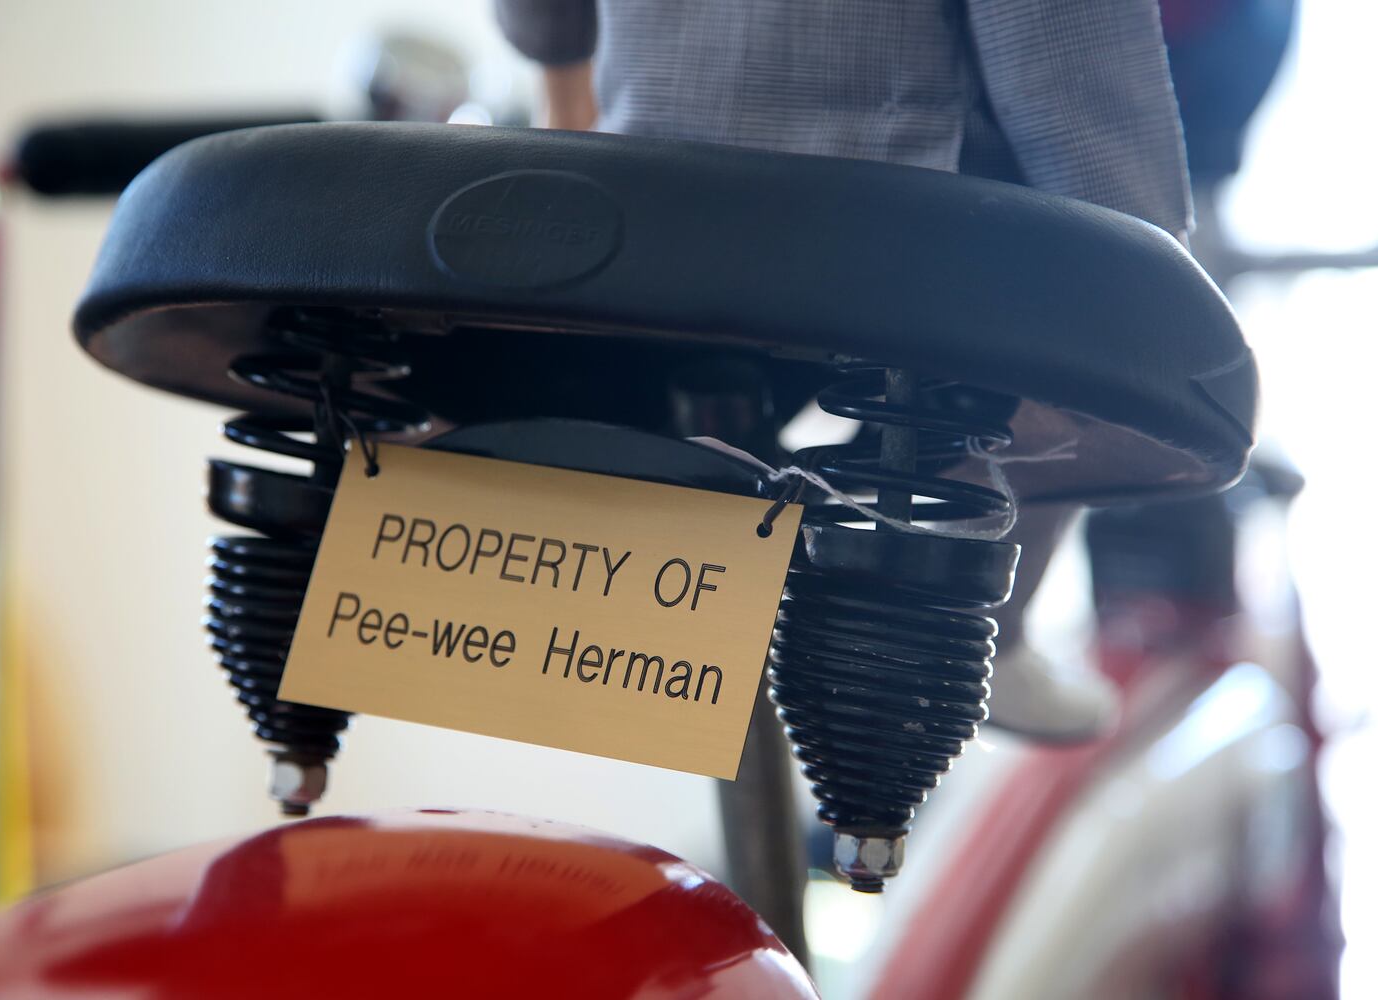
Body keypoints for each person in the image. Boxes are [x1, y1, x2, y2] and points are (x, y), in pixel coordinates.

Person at [495, 0, 1194, 742]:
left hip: (643, 202)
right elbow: (1070, 76)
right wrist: (1157, 275)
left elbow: (546, 21)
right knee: (1066, 338)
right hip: (885, 230)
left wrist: (572, 132)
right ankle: (974, 628)